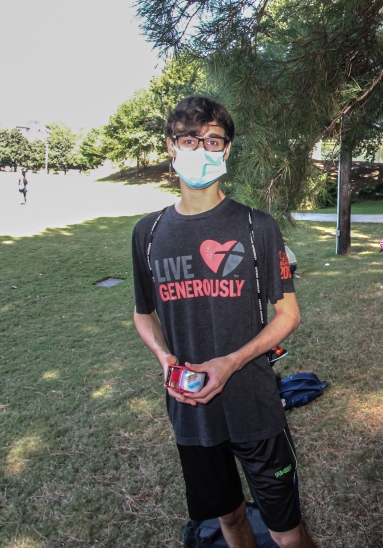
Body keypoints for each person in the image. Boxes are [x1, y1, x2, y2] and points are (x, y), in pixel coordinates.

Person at [130, 96, 315, 548]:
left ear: (227, 149)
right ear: (171, 148)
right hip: (191, 414)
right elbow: (143, 315)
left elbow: (288, 314)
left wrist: (231, 361)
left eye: (212, 139)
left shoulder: (257, 227)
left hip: (253, 406)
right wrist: (166, 358)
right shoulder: (148, 233)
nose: (201, 149)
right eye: (189, 139)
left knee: (287, 535)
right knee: (229, 520)